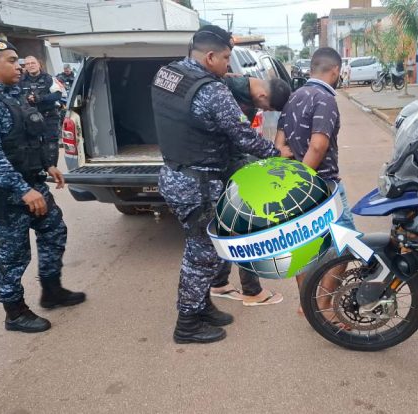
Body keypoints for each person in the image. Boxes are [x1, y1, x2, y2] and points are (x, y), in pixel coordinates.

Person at [151, 25, 293, 344]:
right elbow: (242, 135)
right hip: (197, 184)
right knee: (201, 255)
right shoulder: (211, 90)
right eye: (226, 58)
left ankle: (202, 307)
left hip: (175, 174)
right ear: (210, 56)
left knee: (210, 251)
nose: (229, 65)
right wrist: (276, 154)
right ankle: (187, 322)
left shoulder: (167, 74)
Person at [0, 39, 85, 333]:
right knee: (12, 255)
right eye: (11, 60)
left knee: (54, 231)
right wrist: (22, 190)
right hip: (6, 193)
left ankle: (52, 290)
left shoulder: (14, 95)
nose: (18, 65)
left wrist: (47, 165)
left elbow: (27, 138)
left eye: (18, 60)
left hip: (31, 183)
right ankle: (14, 311)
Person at [274, 47, 356, 314]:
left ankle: (306, 304)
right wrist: (304, 180)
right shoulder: (325, 99)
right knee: (347, 243)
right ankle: (323, 307)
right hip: (322, 186)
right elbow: (318, 147)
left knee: (303, 247)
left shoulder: (293, 98)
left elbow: (279, 145)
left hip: (296, 188)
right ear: (335, 71)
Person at [210, 75, 291, 306]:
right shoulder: (229, 92)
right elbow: (243, 138)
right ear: (263, 96)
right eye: (267, 107)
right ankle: (252, 292)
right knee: (245, 226)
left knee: (225, 223)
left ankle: (219, 282)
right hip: (224, 165)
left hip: (222, 165)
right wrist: (276, 154)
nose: (263, 111)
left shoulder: (234, 85)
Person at [19, 56, 63, 166]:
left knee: (51, 142)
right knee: (32, 144)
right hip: (30, 118)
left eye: (33, 62)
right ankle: (37, 167)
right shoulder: (20, 80)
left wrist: (40, 98)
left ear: (39, 64)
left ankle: (52, 168)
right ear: (25, 67)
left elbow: (58, 95)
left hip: (49, 116)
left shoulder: (49, 79)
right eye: (27, 64)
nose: (30, 65)